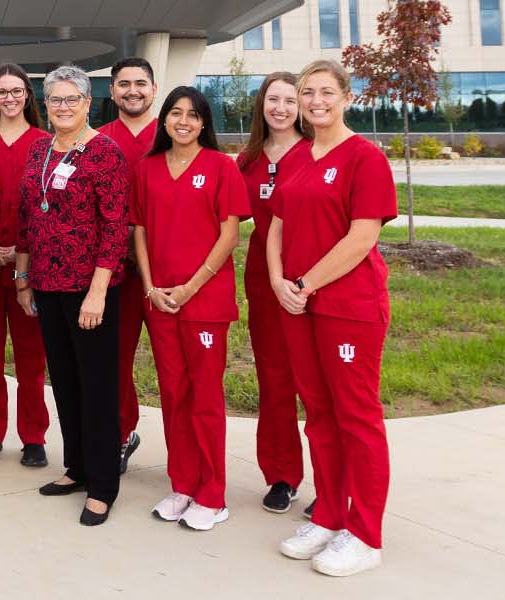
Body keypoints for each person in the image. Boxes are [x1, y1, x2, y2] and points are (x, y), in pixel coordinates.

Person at [269, 59, 396, 577]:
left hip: (348, 307)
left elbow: (362, 237)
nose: (315, 101)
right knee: (318, 413)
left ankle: (364, 534)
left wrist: (305, 284)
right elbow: (275, 224)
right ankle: (329, 514)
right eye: (306, 93)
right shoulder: (298, 154)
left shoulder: (365, 158)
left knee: (356, 417)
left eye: (325, 92)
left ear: (346, 96)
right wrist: (279, 281)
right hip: (298, 303)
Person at [15, 65, 131, 526]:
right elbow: (28, 215)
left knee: (97, 388)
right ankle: (77, 468)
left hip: (89, 289)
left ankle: (103, 485)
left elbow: (115, 228)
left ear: (87, 103)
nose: (62, 107)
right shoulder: (41, 149)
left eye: (71, 99)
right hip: (46, 283)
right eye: (55, 100)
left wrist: (98, 292)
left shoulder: (105, 153)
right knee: (64, 382)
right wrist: (23, 278)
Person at [131, 86, 249, 532]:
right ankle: (182, 484)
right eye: (176, 113)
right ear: (164, 120)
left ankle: (212, 494)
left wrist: (189, 287)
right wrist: (151, 287)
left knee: (204, 397)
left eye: (193, 115)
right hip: (160, 301)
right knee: (173, 395)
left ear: (204, 123)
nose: (183, 121)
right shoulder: (146, 169)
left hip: (204, 303)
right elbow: (138, 231)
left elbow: (229, 236)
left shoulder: (221, 167)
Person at [236, 71, 314, 516]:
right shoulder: (247, 159)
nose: (281, 108)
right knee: (275, 381)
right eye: (273, 99)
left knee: (318, 386)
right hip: (265, 282)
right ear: (261, 106)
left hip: (312, 278)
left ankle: (334, 478)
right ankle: (281, 475)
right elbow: (227, 218)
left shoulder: (316, 153)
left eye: (290, 99)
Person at [0, 63, 53, 469]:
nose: (9, 98)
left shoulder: (45, 143)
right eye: (2, 91)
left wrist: (20, 255)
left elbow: (52, 211)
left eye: (17, 91)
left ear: (27, 96)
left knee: (31, 357)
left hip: (31, 268)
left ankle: (33, 436)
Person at [95, 57, 160, 474]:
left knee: (176, 367)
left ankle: (188, 456)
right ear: (112, 91)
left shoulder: (173, 134)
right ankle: (120, 434)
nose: (132, 90)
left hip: (166, 272)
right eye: (123, 84)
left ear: (153, 89)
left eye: (140, 83)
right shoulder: (99, 140)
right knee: (113, 361)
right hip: (114, 273)